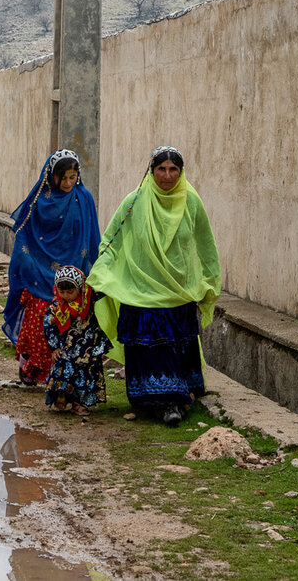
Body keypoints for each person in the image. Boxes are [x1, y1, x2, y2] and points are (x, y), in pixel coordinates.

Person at [87, 146, 221, 426]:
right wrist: (102, 272)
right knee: (149, 349)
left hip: (177, 293)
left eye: (174, 169)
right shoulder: (134, 202)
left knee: (174, 347)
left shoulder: (191, 202)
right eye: (161, 169)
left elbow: (206, 245)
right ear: (151, 170)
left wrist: (209, 281)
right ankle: (152, 400)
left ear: (181, 172)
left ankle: (173, 401)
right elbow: (111, 240)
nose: (167, 175)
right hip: (141, 293)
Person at [2, 150, 101, 387]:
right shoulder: (39, 199)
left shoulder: (83, 197)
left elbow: (90, 235)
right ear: (52, 176)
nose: (68, 183)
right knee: (40, 322)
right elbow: (23, 234)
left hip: (72, 273)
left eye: (73, 177)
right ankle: (31, 367)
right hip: (40, 272)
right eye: (63, 178)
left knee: (69, 326)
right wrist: (29, 265)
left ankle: (61, 376)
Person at [42, 266, 110, 416]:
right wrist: (54, 347)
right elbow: (49, 326)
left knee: (85, 374)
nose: (66, 296)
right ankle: (62, 399)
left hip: (87, 349)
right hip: (65, 349)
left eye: (70, 292)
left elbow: (105, 289)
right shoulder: (56, 307)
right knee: (63, 372)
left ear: (80, 288)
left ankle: (79, 403)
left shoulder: (88, 302)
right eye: (62, 292)